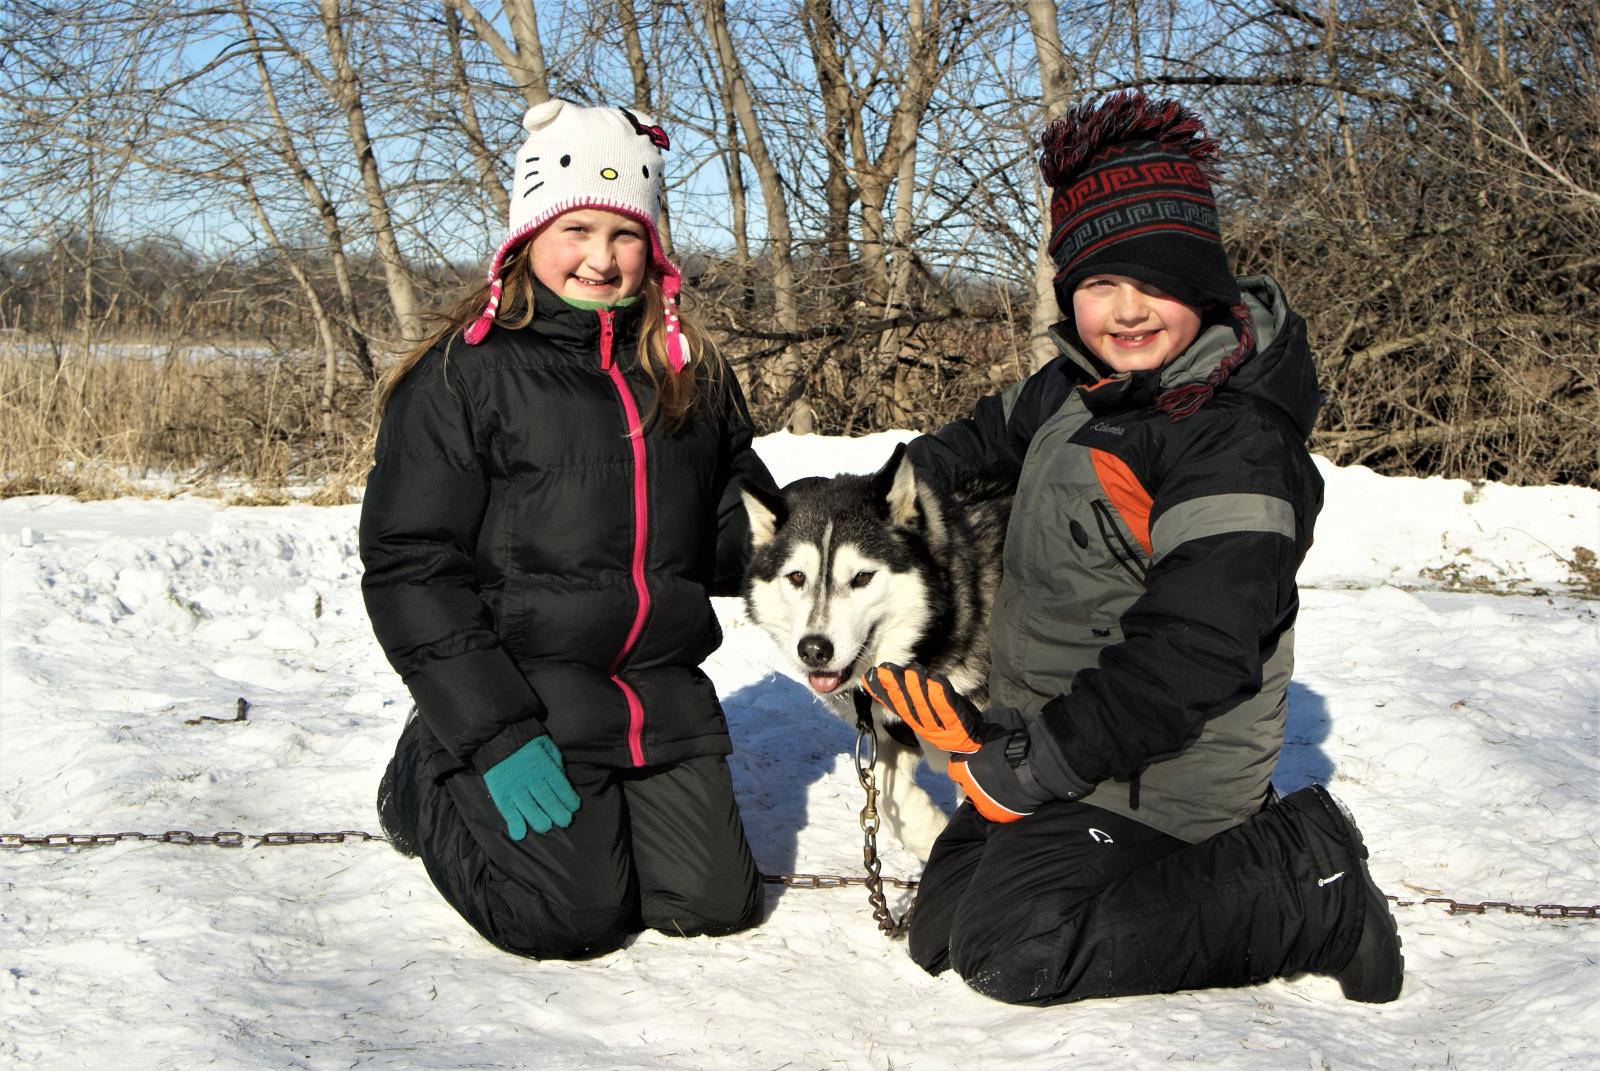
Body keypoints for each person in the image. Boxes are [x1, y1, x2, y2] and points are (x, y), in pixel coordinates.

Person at [862, 90, 1404, 1005]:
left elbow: (1192, 652)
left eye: (1152, 280)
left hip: (1164, 774)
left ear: (1202, 283)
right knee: (941, 931)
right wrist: (860, 513)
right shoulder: (1076, 387)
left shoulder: (1231, 441)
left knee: (1014, 949)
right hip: (1067, 748)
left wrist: (1027, 768)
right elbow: (972, 445)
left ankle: (1310, 886)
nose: (1125, 309)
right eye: (1097, 283)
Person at [361, 100, 776, 959]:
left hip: (656, 689)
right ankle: (428, 774)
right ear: (525, 236)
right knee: (570, 918)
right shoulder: (460, 377)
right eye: (576, 227)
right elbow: (411, 569)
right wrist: (494, 730)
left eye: (624, 233)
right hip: (526, 689)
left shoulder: (688, 375)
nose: (600, 255)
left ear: (653, 247)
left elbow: (741, 525)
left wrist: (829, 542)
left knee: (709, 905)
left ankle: (600, 806)